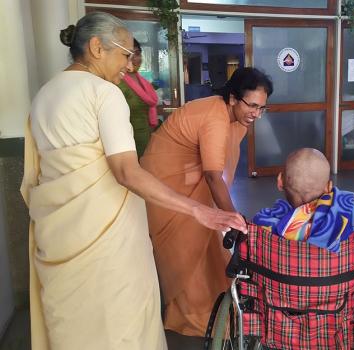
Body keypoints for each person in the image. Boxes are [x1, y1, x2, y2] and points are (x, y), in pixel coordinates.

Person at [20, 12, 246, 350]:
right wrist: (199, 211)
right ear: (97, 47)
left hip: (57, 230)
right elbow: (126, 171)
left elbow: (35, 173)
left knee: (72, 315)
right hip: (105, 232)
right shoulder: (104, 93)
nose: (129, 65)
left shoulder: (44, 95)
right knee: (117, 314)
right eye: (126, 54)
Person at [140, 67, 273, 336]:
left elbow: (222, 170)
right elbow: (214, 176)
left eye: (262, 109)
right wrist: (233, 220)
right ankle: (188, 315)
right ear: (234, 98)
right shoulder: (215, 117)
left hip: (191, 182)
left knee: (209, 245)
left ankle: (219, 304)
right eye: (252, 106)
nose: (256, 114)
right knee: (187, 249)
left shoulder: (237, 120)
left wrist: (225, 215)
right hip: (166, 186)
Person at [253, 148, 354, 280]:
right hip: (342, 304)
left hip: (281, 302)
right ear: (328, 187)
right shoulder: (352, 216)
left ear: (280, 181)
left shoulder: (265, 224)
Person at [118, 38, 159, 156]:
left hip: (147, 138)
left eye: (138, 53)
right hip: (128, 143)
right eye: (129, 54)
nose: (135, 59)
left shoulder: (142, 81)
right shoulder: (118, 82)